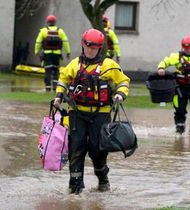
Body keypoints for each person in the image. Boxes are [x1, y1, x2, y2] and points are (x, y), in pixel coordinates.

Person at [53, 29, 130, 194]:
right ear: (83, 45)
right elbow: (63, 80)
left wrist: (120, 94)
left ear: (99, 48)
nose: (90, 50)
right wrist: (58, 96)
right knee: (76, 149)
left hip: (100, 114)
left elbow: (123, 81)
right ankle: (75, 188)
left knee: (97, 150)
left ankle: (103, 180)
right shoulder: (74, 64)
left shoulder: (109, 65)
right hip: (77, 114)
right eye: (88, 46)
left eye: (94, 48)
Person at [34, 15, 71, 92]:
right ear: (55, 22)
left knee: (48, 70)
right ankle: (55, 87)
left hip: (47, 54)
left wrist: (36, 51)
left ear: (47, 22)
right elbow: (65, 42)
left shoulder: (43, 31)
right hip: (57, 54)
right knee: (56, 70)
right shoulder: (60, 31)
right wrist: (68, 52)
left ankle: (47, 87)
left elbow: (38, 42)